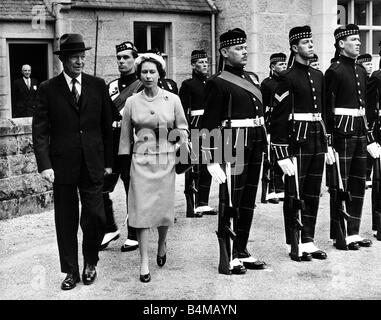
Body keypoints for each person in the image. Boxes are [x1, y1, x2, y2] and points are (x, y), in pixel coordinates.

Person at [32, 33, 113, 290]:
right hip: (62, 167)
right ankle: (70, 271)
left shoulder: (97, 85)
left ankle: (91, 261)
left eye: (82, 57)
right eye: (75, 57)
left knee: (97, 217)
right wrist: (45, 164)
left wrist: (109, 161)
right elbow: (40, 130)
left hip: (93, 163)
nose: (80, 62)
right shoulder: (48, 89)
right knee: (66, 220)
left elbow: (107, 127)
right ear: (64, 60)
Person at [200, 28, 267, 274]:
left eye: (245, 47)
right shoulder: (217, 82)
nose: (244, 51)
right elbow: (208, 123)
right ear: (224, 52)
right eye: (239, 48)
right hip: (232, 141)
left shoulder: (252, 78)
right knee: (231, 199)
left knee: (248, 200)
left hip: (255, 141)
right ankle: (228, 255)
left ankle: (242, 249)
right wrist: (209, 160)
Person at [118, 52, 188, 282]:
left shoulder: (173, 99)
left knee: (163, 208)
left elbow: (183, 129)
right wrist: (124, 161)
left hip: (165, 161)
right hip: (140, 162)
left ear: (160, 74)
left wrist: (176, 141)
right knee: (140, 212)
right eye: (144, 72)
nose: (148, 76)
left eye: (152, 72)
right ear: (139, 75)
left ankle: (161, 242)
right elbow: (125, 136)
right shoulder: (131, 102)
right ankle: (144, 262)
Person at [271, 26, 330, 261]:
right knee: (295, 193)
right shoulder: (287, 77)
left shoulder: (318, 75)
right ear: (294, 48)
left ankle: (308, 240)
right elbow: (278, 117)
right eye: (305, 42)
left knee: (313, 191)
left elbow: (323, 111)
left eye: (311, 41)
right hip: (298, 138)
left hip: (317, 137)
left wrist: (329, 144)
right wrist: (281, 153)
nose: (311, 45)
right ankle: (293, 241)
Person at [325, 24, 378, 250]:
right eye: (354, 39)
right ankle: (341, 233)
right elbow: (328, 108)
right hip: (341, 131)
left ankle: (353, 231)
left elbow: (364, 107)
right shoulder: (334, 71)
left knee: (358, 182)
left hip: (359, 130)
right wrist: (328, 141)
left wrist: (370, 137)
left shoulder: (359, 70)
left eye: (359, 39)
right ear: (341, 44)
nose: (358, 43)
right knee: (341, 183)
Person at [100, 41, 141, 252]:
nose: (122, 61)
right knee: (100, 187)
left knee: (130, 188)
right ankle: (109, 228)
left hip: (132, 142)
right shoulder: (111, 86)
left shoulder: (142, 85)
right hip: (112, 141)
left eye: (126, 57)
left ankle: (133, 233)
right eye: (119, 57)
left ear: (136, 59)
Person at [179, 49, 216, 217]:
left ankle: (203, 203)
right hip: (194, 126)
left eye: (206, 62)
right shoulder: (188, 84)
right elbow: (183, 110)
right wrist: (186, 131)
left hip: (209, 127)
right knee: (193, 166)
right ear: (193, 65)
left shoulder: (211, 82)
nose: (205, 65)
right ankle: (191, 205)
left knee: (208, 164)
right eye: (201, 63)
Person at [260, 52, 287, 204]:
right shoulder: (266, 83)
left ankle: (280, 187)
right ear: (272, 67)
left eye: (285, 64)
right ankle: (270, 190)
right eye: (280, 64)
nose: (284, 66)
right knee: (270, 159)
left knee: (282, 157)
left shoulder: (287, 81)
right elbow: (263, 106)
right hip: (271, 123)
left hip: (283, 123)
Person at [366, 61, 381, 240]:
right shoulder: (377, 77)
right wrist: (371, 136)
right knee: (379, 181)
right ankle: (379, 224)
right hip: (379, 131)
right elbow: (369, 109)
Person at [356, 53, 374, 188]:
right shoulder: (362, 79)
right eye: (367, 64)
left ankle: (368, 176)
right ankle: (365, 176)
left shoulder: (371, 79)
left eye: (371, 63)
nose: (370, 66)